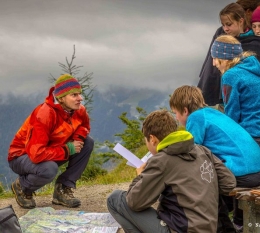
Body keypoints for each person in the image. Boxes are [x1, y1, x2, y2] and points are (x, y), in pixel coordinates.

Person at [106, 110, 236, 233]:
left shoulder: (161, 161)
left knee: (115, 198)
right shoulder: (202, 150)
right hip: (210, 228)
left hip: (182, 229)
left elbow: (135, 202)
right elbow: (229, 183)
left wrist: (140, 176)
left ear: (152, 139)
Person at [169, 85, 260, 232]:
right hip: (257, 169)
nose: (176, 118)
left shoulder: (195, 118)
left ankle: (220, 226)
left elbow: (190, 152)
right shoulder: (213, 113)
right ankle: (235, 223)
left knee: (202, 180)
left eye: (175, 113)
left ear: (185, 110)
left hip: (243, 171)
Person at [8, 74, 94, 209]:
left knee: (87, 143)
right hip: (21, 156)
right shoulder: (45, 114)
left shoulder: (79, 110)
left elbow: (84, 127)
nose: (80, 98)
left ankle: (63, 189)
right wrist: (68, 149)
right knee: (49, 169)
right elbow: (36, 154)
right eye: (74, 95)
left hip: (51, 150)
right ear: (61, 98)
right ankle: (22, 186)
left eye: (79, 94)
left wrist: (77, 140)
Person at [211, 34, 260, 150]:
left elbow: (232, 112)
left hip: (251, 135)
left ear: (224, 58)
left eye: (215, 58)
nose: (213, 64)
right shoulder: (256, 70)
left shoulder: (230, 75)